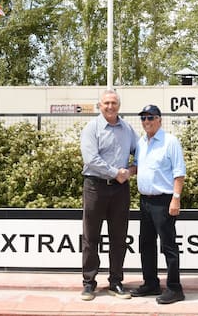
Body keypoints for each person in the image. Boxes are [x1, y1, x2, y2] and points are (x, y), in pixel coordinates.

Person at [79, 89, 138, 301]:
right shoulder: (91, 128)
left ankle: (116, 282)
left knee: (119, 237)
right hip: (95, 186)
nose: (110, 106)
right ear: (99, 106)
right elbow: (90, 159)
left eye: (114, 103)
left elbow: (139, 152)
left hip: (120, 189)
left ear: (119, 105)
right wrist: (116, 172)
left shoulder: (127, 129)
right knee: (91, 236)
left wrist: (130, 171)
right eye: (106, 103)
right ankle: (89, 283)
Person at [130, 104, 186, 305]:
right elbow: (138, 167)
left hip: (164, 201)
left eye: (150, 117)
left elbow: (179, 173)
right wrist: (123, 172)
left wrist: (176, 199)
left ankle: (174, 288)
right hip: (145, 201)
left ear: (159, 120)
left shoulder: (170, 142)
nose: (146, 122)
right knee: (145, 244)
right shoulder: (141, 142)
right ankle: (151, 283)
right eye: (143, 118)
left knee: (168, 246)